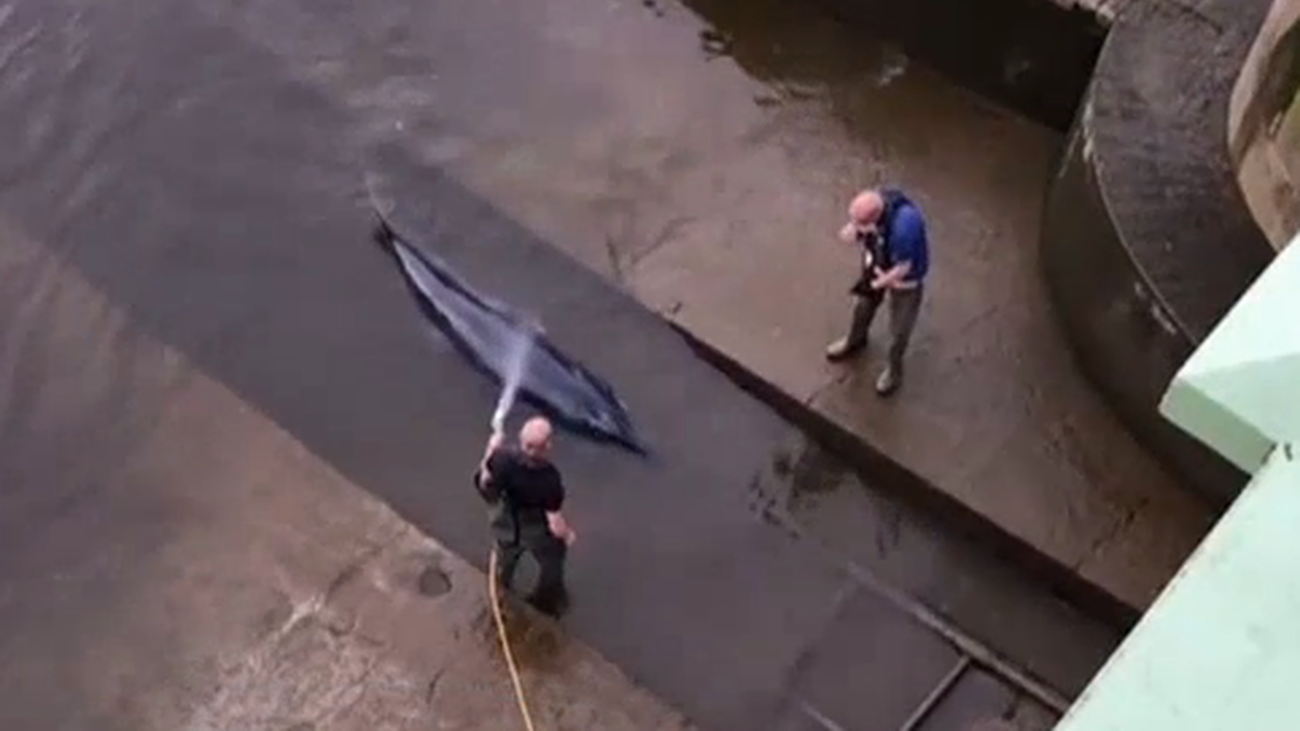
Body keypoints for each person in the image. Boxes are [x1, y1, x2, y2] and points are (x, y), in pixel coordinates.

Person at [824, 187, 930, 396]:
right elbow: (864, 231)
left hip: (903, 281)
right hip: (878, 263)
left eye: (859, 225)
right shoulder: (878, 204)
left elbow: (903, 268)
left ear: (875, 219)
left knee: (899, 331)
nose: (855, 228)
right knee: (862, 306)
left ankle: (894, 370)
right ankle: (855, 339)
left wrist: (880, 283)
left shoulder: (904, 229)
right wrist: (855, 232)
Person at [474, 416, 577, 616]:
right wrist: (567, 535)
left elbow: (485, 481)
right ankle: (547, 598)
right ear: (545, 447)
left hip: (505, 524)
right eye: (548, 440)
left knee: (505, 559)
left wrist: (491, 448)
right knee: (553, 558)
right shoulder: (550, 480)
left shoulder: (502, 459)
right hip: (534, 528)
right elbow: (554, 522)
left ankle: (501, 589)